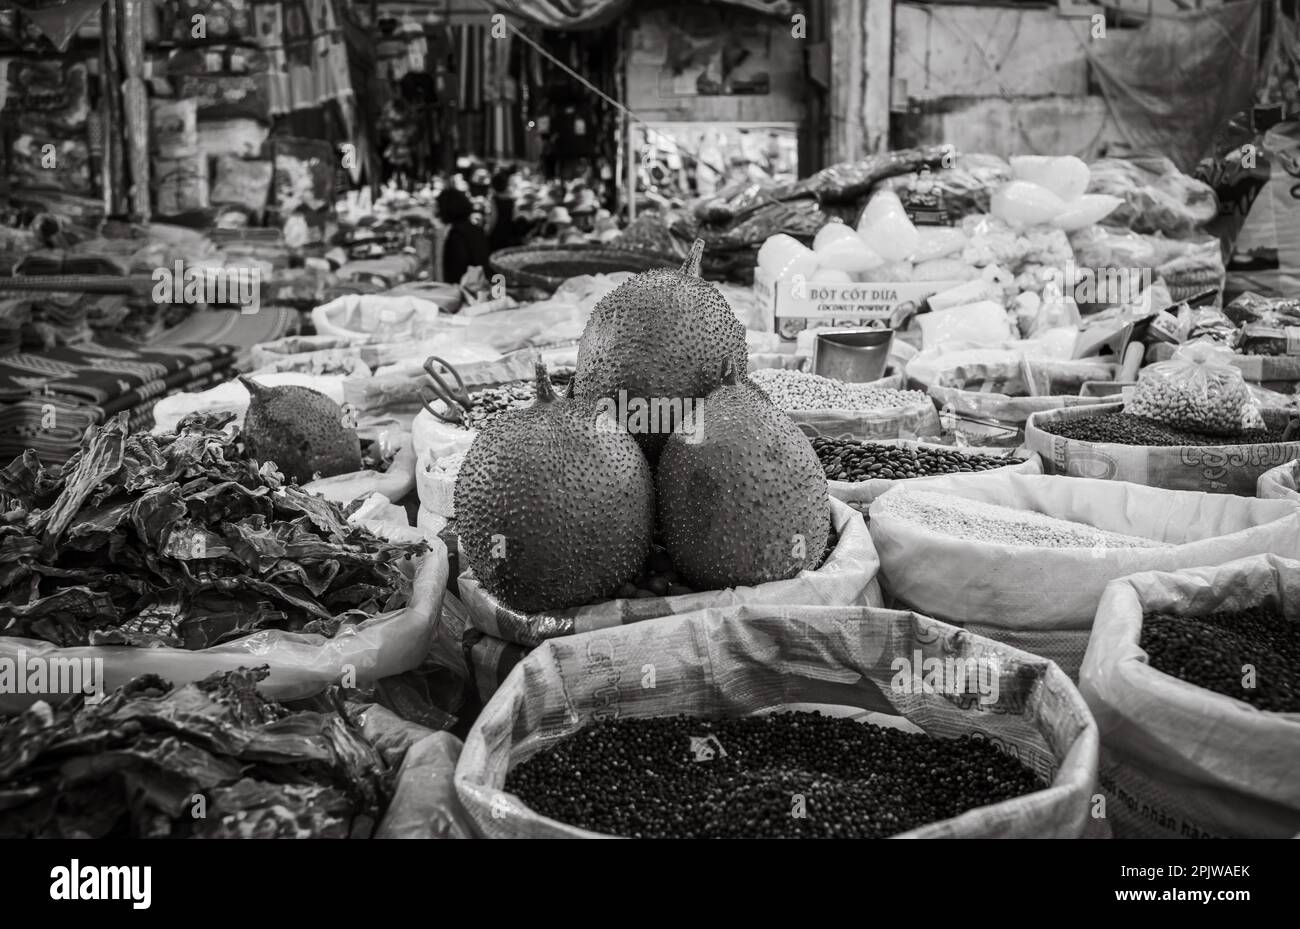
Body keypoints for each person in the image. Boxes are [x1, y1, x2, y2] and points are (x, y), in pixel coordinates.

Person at [436, 187, 490, 286]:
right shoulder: (474, 228)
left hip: (467, 287)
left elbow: (456, 270)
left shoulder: (456, 234)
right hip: (480, 282)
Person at [488, 169, 524, 251]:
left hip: (497, 233)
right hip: (508, 233)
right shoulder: (511, 200)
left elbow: (494, 218)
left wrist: (488, 232)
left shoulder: (494, 200)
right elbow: (514, 217)